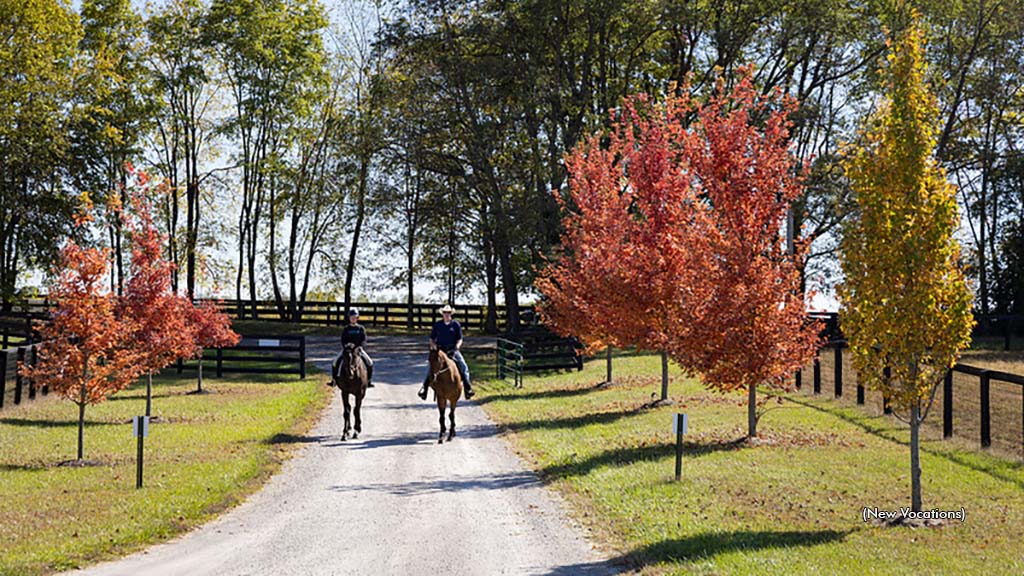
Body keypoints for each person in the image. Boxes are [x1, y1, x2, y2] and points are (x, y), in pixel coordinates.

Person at [418, 304, 474, 400]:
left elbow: (460, 339)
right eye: (445, 313)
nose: (446, 314)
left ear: (451, 314)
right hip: (440, 351)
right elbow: (431, 339)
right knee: (431, 367)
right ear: (442, 314)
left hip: (452, 350)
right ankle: (424, 389)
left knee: (463, 366)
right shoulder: (438, 325)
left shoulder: (456, 325)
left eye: (448, 313)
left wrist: (457, 346)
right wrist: (434, 346)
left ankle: (468, 389)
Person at [333, 309, 374, 387]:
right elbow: (343, 339)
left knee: (370, 362)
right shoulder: (346, 329)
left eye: (354, 317)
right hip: (347, 350)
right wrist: (346, 346)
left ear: (357, 318)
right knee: (335, 362)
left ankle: (368, 381)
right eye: (351, 317)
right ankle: (334, 380)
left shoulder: (361, 328)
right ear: (349, 318)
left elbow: (364, 339)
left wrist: (360, 346)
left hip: (358, 349)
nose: (353, 319)